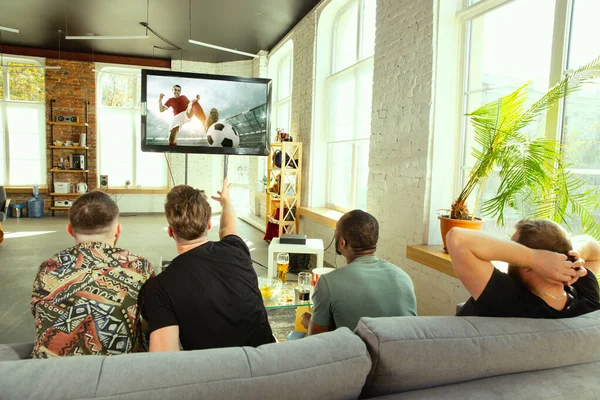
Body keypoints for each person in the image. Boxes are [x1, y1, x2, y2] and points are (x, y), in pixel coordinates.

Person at [142, 178, 275, 352]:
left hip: (217, 375)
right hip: (270, 363)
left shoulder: (158, 288)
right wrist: (226, 201)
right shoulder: (236, 249)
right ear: (209, 225)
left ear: (170, 231)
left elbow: (165, 362)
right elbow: (228, 226)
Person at [31, 191, 153, 358]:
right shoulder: (139, 267)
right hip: (117, 373)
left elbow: (38, 315)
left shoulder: (47, 268)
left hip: (50, 376)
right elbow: (154, 318)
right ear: (118, 229)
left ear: (69, 230)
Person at [447, 219, 600, 318]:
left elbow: (457, 238)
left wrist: (533, 258)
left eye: (513, 248)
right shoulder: (587, 297)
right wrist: (573, 254)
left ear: (529, 267)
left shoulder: (509, 300)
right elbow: (593, 246)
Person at [299, 210, 417, 338]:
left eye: (336, 232)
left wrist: (310, 322)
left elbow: (316, 341)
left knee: (296, 336)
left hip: (357, 356)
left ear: (342, 242)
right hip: (402, 354)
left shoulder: (328, 282)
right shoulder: (403, 277)